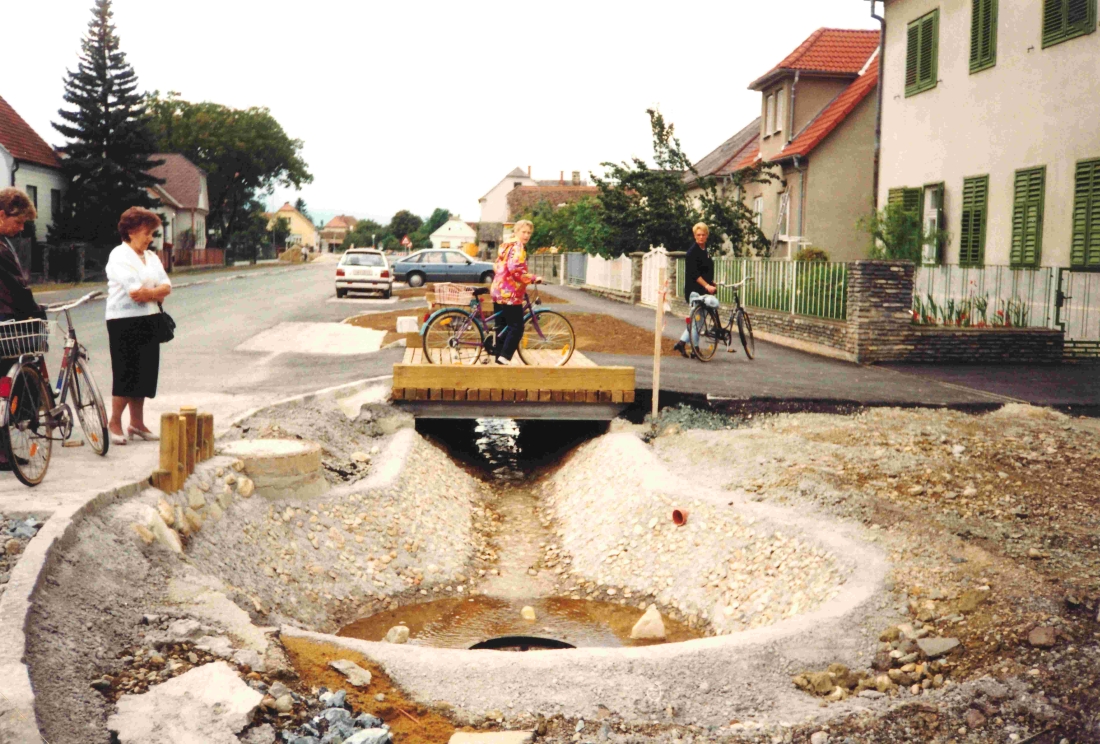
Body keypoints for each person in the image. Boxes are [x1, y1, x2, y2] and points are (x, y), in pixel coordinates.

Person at [105, 207, 172, 445]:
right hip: (123, 320)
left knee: (145, 372)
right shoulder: (119, 256)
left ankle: (137, 423)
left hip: (150, 318)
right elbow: (135, 293)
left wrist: (151, 293)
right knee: (126, 372)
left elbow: (167, 287)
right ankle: (114, 421)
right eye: (147, 232)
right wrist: (156, 293)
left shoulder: (152, 257)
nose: (151, 238)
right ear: (132, 231)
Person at [0, 189, 48, 470]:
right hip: (5, 320)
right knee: (8, 384)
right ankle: (3, 452)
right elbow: (17, 288)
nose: (20, 229)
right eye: (18, 223)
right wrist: (36, 311)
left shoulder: (4, 242)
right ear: (2, 214)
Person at [488, 219, 542, 365]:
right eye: (523, 232)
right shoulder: (518, 248)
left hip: (498, 289)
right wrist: (533, 278)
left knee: (502, 326)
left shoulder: (506, 246)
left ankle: (498, 357)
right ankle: (504, 358)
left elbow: (496, 265)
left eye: (529, 233)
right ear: (516, 232)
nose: (526, 235)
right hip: (509, 293)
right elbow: (516, 270)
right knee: (516, 326)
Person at [673, 222, 725, 358]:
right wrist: (707, 285)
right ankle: (692, 348)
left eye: (703, 235)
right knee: (698, 321)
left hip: (703, 289)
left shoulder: (704, 250)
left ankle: (683, 344)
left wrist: (711, 282)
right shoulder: (692, 253)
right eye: (698, 235)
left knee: (698, 321)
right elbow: (694, 274)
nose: (701, 237)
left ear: (707, 236)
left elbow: (705, 270)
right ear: (694, 236)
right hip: (694, 291)